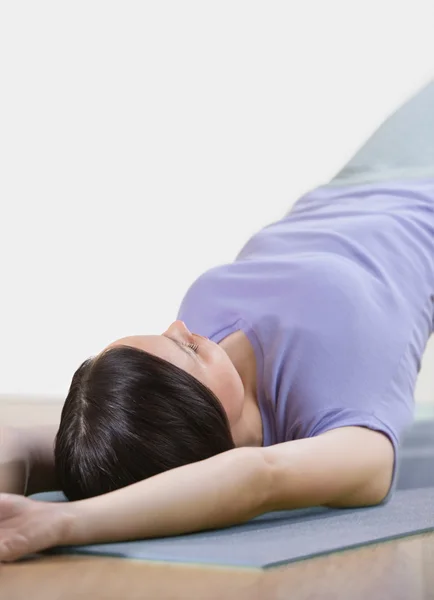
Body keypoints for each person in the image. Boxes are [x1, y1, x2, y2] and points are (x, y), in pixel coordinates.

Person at [1, 79, 433, 563]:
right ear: (196, 414)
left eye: (168, 332)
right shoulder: (348, 433)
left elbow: (24, 445)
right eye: (185, 351)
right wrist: (63, 523)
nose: (183, 329)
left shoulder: (203, 345)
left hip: (360, 177)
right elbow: (258, 479)